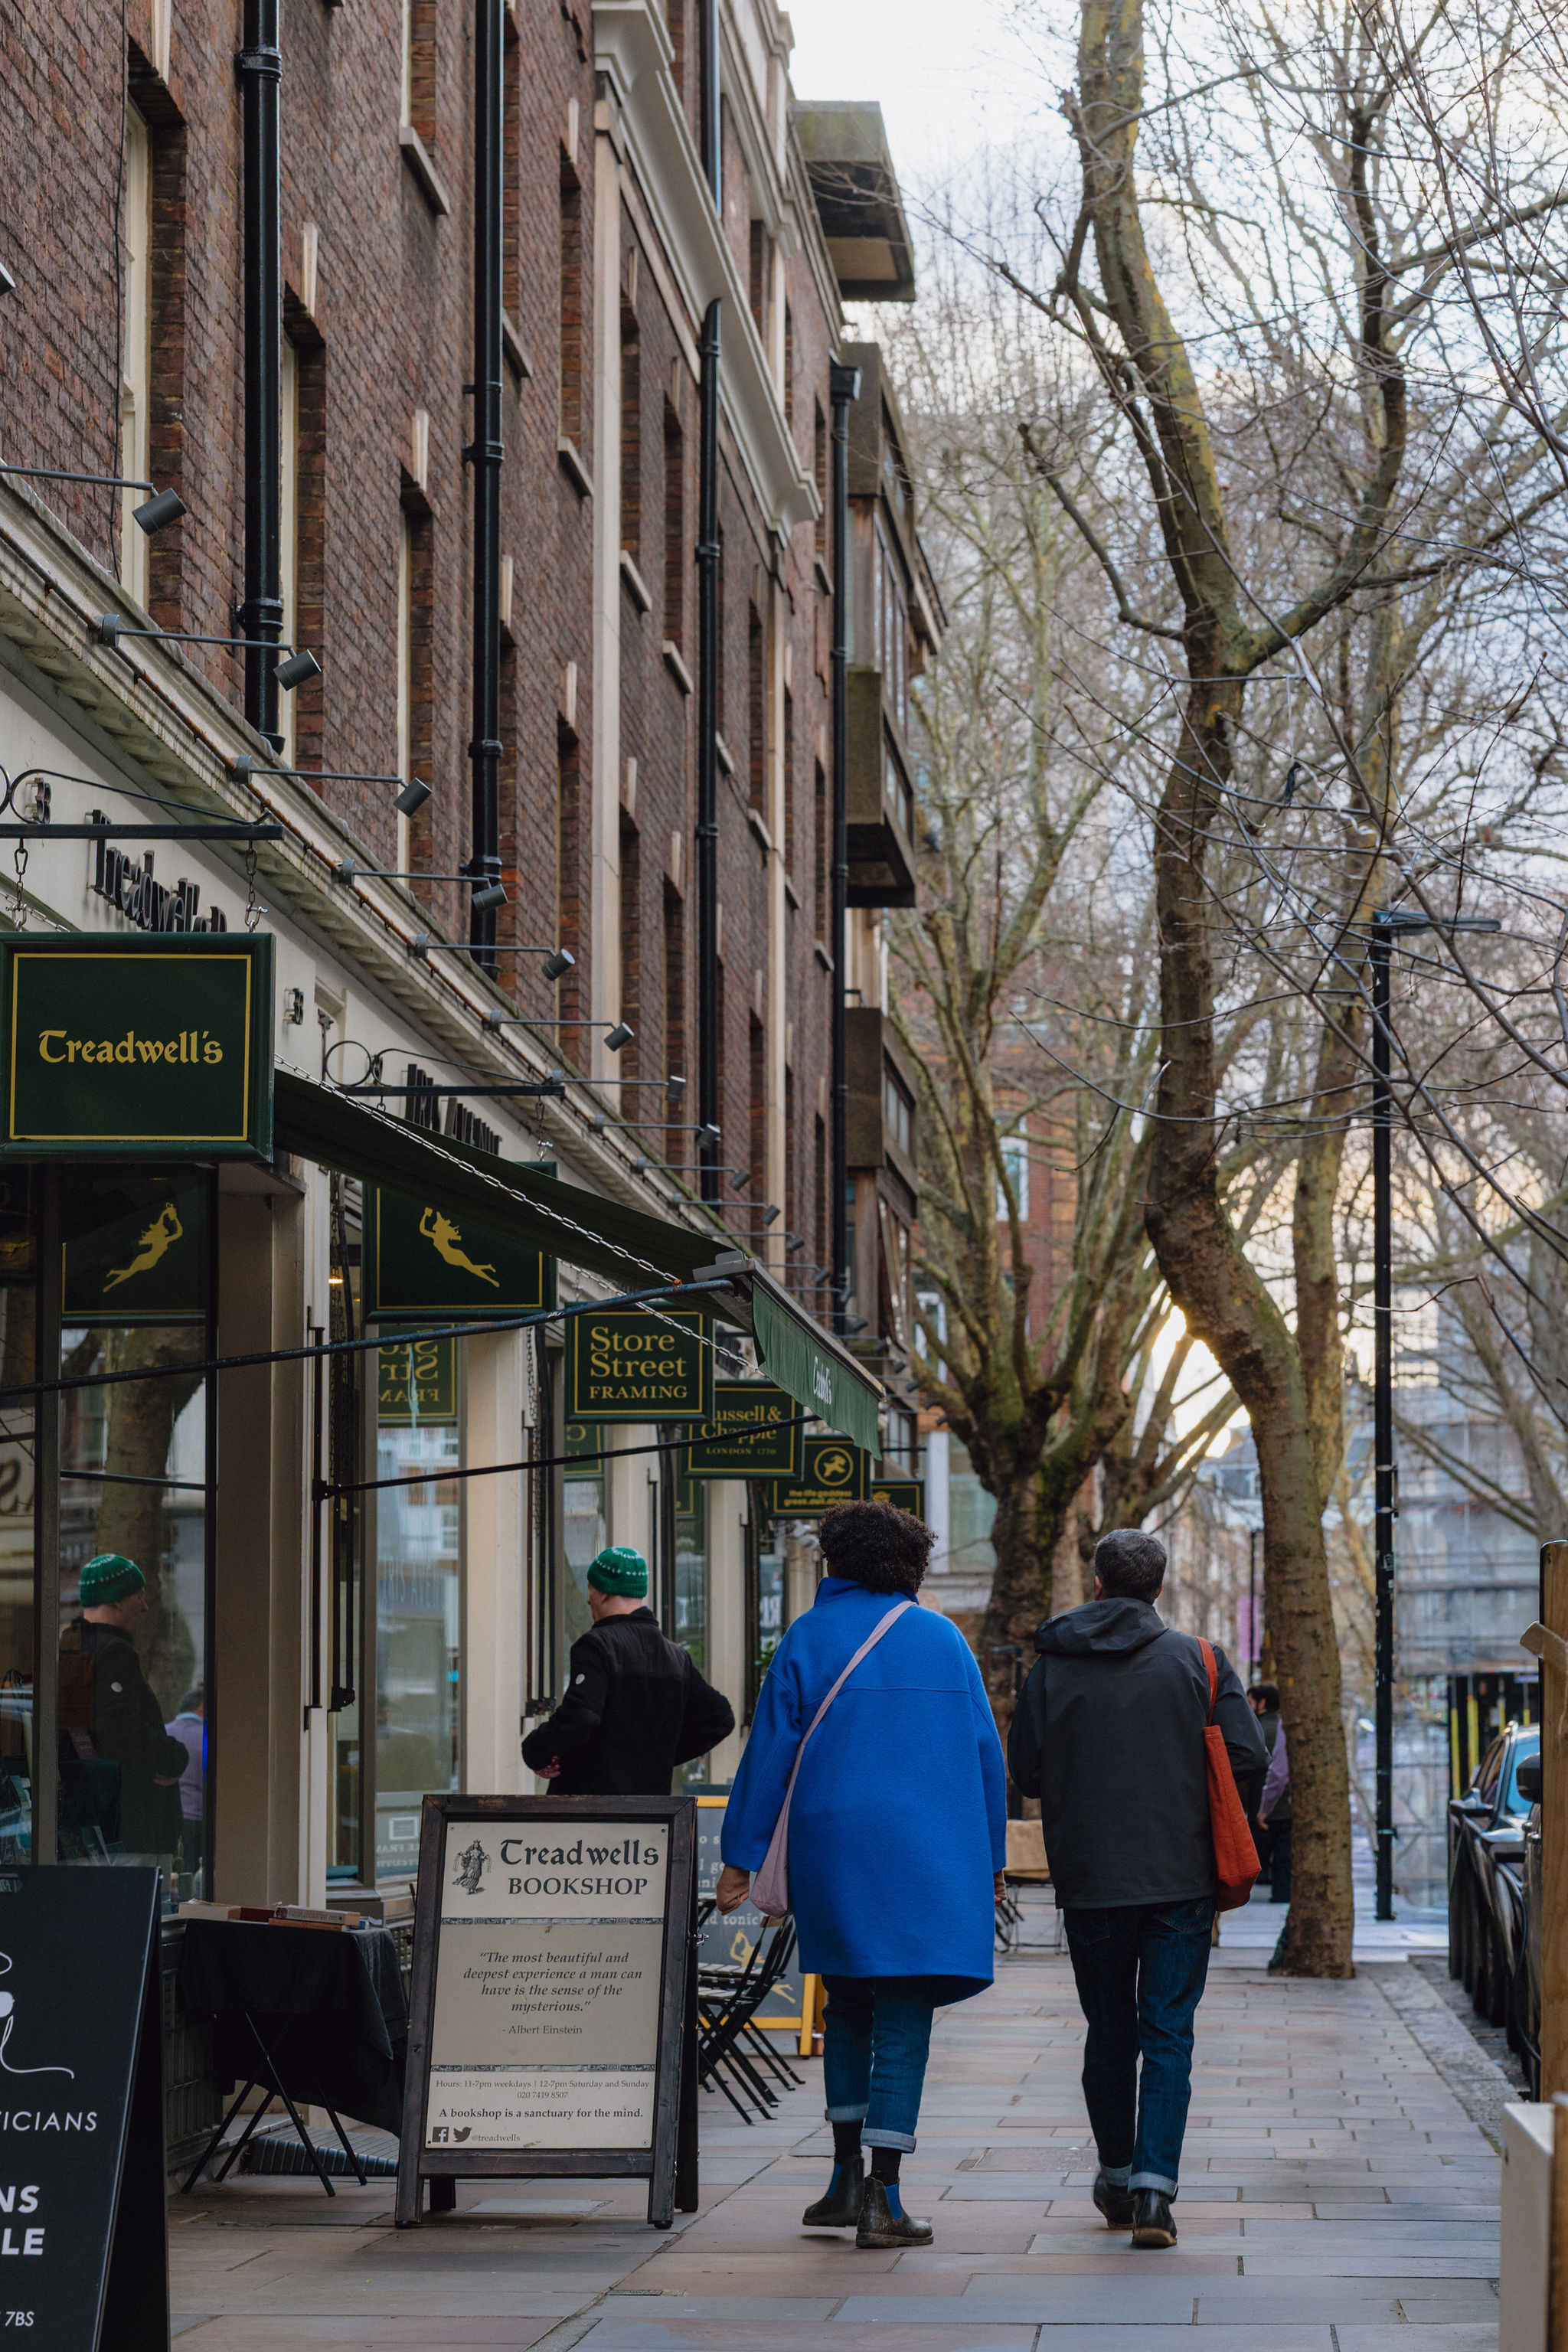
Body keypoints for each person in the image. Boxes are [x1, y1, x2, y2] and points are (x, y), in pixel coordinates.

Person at [716, 1501, 1006, 2252]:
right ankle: (885, 2196)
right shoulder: (944, 1642)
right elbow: (984, 1760)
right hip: (929, 1851)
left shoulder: (808, 1638)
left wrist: (738, 1859)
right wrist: (991, 1865)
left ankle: (842, 2179)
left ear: (837, 1563)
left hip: (832, 1846)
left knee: (845, 2000)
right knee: (905, 2012)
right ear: (910, 1567)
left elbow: (768, 1752)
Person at [1008, 1527, 1267, 2252]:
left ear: (1096, 1584)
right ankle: (1156, 2190)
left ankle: (1116, 2175)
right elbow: (1246, 1753)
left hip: (1091, 1879)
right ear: (1160, 1587)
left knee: (1109, 2030)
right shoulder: (1200, 1660)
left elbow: (1025, 1772)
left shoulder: (1052, 1665)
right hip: (1181, 1877)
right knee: (1169, 2031)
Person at [521, 1546, 735, 1793]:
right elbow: (721, 1718)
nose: (588, 1599)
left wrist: (536, 1751)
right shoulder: (677, 1658)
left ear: (603, 1594)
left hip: (588, 1812)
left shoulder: (596, 1645)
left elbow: (581, 1714)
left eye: (590, 1590)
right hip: (651, 1817)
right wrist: (659, 1757)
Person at [60, 1553, 188, 1859]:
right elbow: (119, 1729)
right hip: (131, 1825)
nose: (143, 1606)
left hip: (90, 1822)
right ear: (117, 1600)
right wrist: (170, 1758)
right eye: (138, 1595)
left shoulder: (72, 1648)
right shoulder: (115, 1652)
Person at [165, 1684, 204, 1878]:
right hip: (200, 1818)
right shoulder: (207, 1736)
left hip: (172, 1817)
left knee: (179, 1876)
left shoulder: (165, 1732)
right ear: (201, 1706)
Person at [1255, 1693, 1292, 1903]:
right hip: (1290, 1805)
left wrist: (1264, 1808)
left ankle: (1281, 1893)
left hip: (1277, 1804)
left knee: (1280, 1855)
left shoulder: (1280, 1725)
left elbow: (1279, 1772)